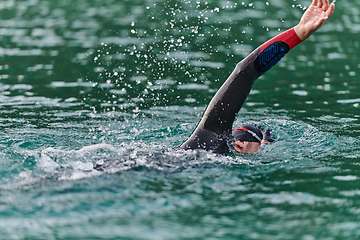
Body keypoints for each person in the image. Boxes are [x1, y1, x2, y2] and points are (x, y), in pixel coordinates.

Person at [179, 0, 335, 154]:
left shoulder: (203, 141)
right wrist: (299, 32)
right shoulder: (211, 138)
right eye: (260, 146)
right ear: (239, 144)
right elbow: (244, 72)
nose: (262, 149)